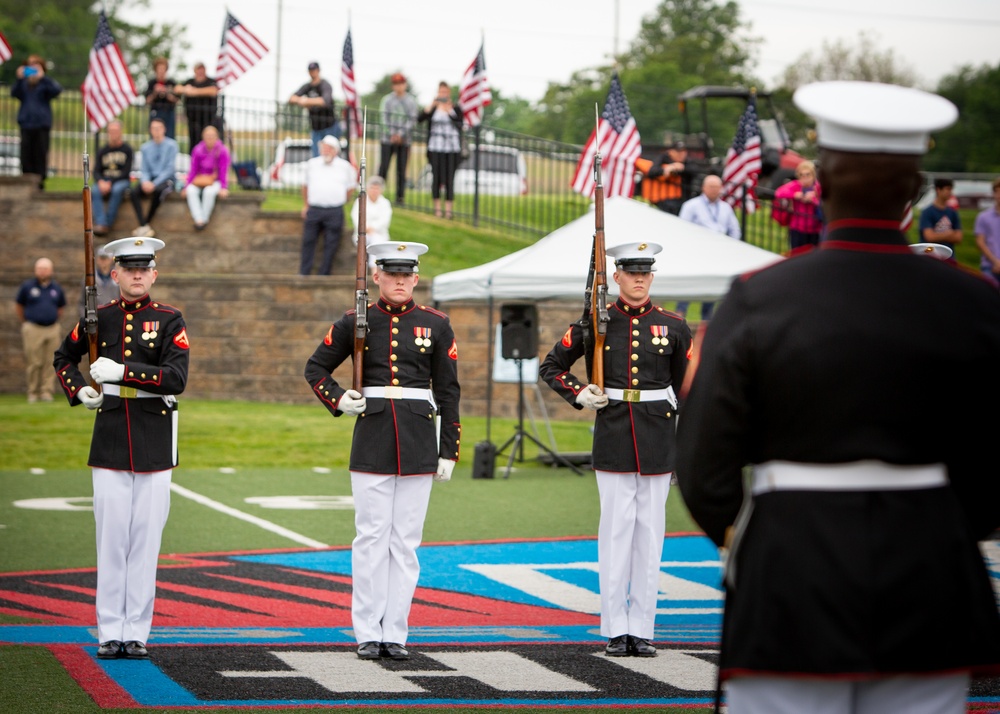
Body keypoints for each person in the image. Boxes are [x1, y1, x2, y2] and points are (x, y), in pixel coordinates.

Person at [676, 81, 1000, 714]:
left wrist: (745, 536)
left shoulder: (759, 298)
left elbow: (704, 460)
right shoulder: (975, 305)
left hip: (791, 562)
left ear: (820, 182)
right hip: (929, 568)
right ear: (914, 190)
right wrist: (948, 529)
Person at [304, 241, 460, 661]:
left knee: (405, 543)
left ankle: (396, 632)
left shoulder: (436, 324)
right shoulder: (357, 320)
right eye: (391, 274)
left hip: (418, 440)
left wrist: (449, 449)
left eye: (407, 275)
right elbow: (315, 367)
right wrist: (338, 399)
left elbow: (448, 391)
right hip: (372, 436)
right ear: (376, 277)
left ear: (416, 277)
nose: (400, 281)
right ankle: (367, 631)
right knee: (371, 538)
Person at [539, 242, 692, 658]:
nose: (639, 278)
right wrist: (581, 392)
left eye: (646, 272)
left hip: (658, 434)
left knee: (650, 536)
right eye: (631, 271)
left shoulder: (674, 326)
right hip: (614, 431)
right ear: (617, 277)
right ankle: (615, 627)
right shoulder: (594, 322)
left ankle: (641, 628)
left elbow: (686, 390)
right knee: (616, 533)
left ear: (652, 277)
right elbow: (550, 367)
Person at [53, 236, 189, 662]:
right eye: (127, 268)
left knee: (145, 541)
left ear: (154, 273)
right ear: (113, 274)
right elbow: (63, 358)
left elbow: (175, 377)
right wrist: (80, 391)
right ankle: (110, 630)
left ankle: (137, 632)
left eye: (143, 267)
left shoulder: (169, 319)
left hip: (153, 436)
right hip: (111, 431)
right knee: (111, 539)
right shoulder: (99, 319)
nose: (136, 274)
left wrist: (123, 371)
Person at [677, 174, 742, 320]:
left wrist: (730, 246)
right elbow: (682, 228)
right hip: (697, 251)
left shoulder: (726, 208)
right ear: (703, 188)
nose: (714, 190)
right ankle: (681, 313)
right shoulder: (691, 206)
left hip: (718, 252)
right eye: (711, 186)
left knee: (711, 282)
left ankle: (707, 318)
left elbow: (735, 229)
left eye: (717, 187)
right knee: (691, 281)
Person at [299, 135, 357, 276]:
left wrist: (342, 199)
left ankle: (324, 273)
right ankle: (304, 272)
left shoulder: (345, 166)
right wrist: (306, 205)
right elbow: (305, 186)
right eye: (324, 148)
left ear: (335, 150)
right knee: (308, 241)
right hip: (315, 209)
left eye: (329, 148)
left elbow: (351, 187)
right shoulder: (312, 164)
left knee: (331, 243)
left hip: (334, 210)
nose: (326, 151)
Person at [15, 257, 66, 403]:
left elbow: (61, 308)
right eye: (40, 268)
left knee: (50, 361)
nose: (43, 271)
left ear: (51, 270)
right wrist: (26, 322)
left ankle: (46, 392)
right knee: (34, 361)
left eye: (45, 268)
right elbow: (19, 306)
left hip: (52, 328)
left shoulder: (56, 288)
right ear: (35, 270)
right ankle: (33, 392)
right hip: (33, 328)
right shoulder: (28, 287)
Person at [11, 54, 62, 190]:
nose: (32, 69)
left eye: (35, 66)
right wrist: (19, 78)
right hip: (26, 124)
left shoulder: (45, 83)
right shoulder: (23, 84)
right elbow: (13, 93)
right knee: (26, 154)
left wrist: (42, 77)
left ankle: (40, 182)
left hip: (41, 125)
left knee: (40, 154)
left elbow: (57, 90)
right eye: (30, 66)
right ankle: (26, 180)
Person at [418, 82, 463, 219]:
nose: (443, 95)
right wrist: (432, 106)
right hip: (435, 148)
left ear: (449, 93)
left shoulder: (456, 108)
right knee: (436, 177)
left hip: (452, 150)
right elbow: (420, 119)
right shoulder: (433, 108)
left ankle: (448, 211)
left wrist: (449, 111)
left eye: (445, 92)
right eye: (440, 92)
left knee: (449, 178)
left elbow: (461, 125)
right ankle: (437, 210)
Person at [130, 117, 178, 237]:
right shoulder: (145, 147)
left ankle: (145, 224)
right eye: (153, 128)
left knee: (158, 191)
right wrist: (145, 181)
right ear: (150, 130)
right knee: (133, 192)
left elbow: (169, 169)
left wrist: (154, 183)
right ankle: (143, 225)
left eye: (158, 128)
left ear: (164, 129)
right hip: (150, 179)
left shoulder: (172, 145)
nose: (156, 131)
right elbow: (144, 168)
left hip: (165, 180)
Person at [378, 73, 418, 204]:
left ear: (405, 85)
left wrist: (400, 134)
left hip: (404, 141)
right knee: (383, 167)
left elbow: (412, 120)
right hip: (387, 140)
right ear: (392, 86)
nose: (398, 87)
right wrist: (392, 134)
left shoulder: (411, 101)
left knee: (401, 170)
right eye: (396, 84)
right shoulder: (387, 100)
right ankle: (377, 194)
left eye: (401, 84)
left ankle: (400, 197)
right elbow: (383, 119)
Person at [181, 125, 230, 230]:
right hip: (199, 180)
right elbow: (193, 170)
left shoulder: (222, 151)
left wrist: (224, 187)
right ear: (203, 137)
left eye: (212, 136)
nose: (210, 138)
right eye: (208, 136)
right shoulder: (197, 150)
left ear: (217, 137)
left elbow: (223, 171)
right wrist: (186, 186)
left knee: (209, 192)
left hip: (215, 181)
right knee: (191, 191)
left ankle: (202, 220)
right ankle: (199, 219)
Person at [91, 120, 134, 236]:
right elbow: (96, 171)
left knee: (117, 190)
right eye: (110, 131)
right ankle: (101, 223)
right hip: (104, 181)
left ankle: (107, 223)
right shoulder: (102, 150)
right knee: (94, 190)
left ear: (121, 132)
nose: (113, 134)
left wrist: (110, 182)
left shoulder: (127, 150)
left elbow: (126, 172)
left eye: (115, 131)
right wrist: (100, 181)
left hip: (121, 181)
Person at [289, 61, 339, 158]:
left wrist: (306, 101)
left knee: (331, 154)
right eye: (311, 70)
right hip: (316, 127)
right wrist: (302, 101)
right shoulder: (307, 87)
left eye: (314, 70)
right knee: (317, 155)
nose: (313, 72)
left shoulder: (325, 85)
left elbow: (324, 101)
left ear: (318, 71)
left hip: (329, 126)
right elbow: (291, 99)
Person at [773, 160, 823, 250]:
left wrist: (813, 199)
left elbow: (825, 203)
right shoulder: (796, 185)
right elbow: (779, 192)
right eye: (801, 175)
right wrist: (795, 195)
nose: (805, 178)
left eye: (808, 175)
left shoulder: (817, 187)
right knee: (796, 253)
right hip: (797, 228)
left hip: (814, 229)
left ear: (813, 175)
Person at [175, 62, 221, 153]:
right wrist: (185, 89)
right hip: (193, 120)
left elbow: (214, 91)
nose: (200, 72)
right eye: (198, 69)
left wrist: (194, 91)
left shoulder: (211, 81)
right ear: (194, 71)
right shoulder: (189, 82)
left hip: (208, 120)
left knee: (208, 143)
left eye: (202, 69)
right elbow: (177, 88)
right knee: (194, 144)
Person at [635, 140, 688, 215]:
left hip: (679, 201)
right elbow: (652, 171)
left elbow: (692, 170)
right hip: (657, 200)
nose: (682, 154)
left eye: (684, 152)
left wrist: (677, 167)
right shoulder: (662, 158)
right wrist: (667, 168)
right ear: (671, 152)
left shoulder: (687, 163)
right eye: (678, 152)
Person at [350, 175, 393, 261]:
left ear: (381, 190)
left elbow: (384, 220)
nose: (374, 191)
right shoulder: (360, 201)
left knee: (376, 242)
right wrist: (365, 228)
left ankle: (374, 270)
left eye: (377, 188)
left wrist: (373, 228)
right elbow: (355, 217)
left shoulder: (385, 203)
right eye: (372, 188)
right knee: (368, 242)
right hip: (362, 234)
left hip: (379, 234)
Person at [918, 177, 962, 259]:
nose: (950, 192)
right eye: (947, 189)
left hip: (949, 258)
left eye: (951, 189)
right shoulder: (927, 212)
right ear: (938, 190)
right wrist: (949, 234)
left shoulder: (952, 212)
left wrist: (938, 235)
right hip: (930, 257)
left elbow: (958, 237)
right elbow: (929, 237)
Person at [144, 57, 179, 140]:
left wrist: (166, 92)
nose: (161, 71)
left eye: (163, 68)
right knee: (154, 136)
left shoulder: (171, 83)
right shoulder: (152, 83)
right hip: (156, 112)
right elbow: (147, 100)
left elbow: (177, 100)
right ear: (155, 70)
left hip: (169, 112)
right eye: (159, 68)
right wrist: (155, 92)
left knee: (170, 136)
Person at [974, 176, 1000, 287]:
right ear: (994, 194)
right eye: (998, 192)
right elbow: (980, 242)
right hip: (989, 266)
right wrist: (995, 262)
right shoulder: (983, 217)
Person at [78, 246, 117, 318]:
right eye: (101, 258)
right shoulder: (89, 278)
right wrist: (85, 319)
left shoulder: (118, 277)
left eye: (106, 258)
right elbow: (83, 302)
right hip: (96, 319)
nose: (103, 262)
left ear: (111, 259)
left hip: (115, 318)